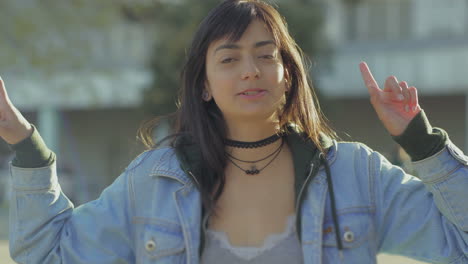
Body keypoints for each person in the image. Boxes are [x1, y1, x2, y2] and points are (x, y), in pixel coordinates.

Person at [4, 1, 467, 263]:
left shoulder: (355, 173)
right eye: (229, 59)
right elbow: (47, 258)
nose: (251, 71)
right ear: (204, 85)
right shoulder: (155, 181)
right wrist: (27, 147)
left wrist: (422, 142)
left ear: (288, 72)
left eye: (266, 55)